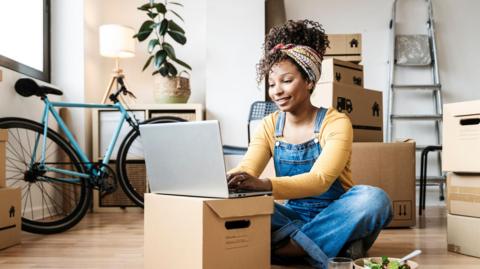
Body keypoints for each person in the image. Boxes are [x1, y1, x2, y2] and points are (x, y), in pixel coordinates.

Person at [227, 20, 393, 269]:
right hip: (292, 217)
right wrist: (226, 182)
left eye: (286, 80)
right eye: (271, 84)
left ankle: (289, 249)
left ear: (309, 81)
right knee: (236, 202)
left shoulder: (336, 122)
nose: (277, 91)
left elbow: (320, 180)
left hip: (338, 215)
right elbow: (248, 169)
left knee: (374, 199)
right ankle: (325, 248)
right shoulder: (269, 125)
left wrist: (264, 185)